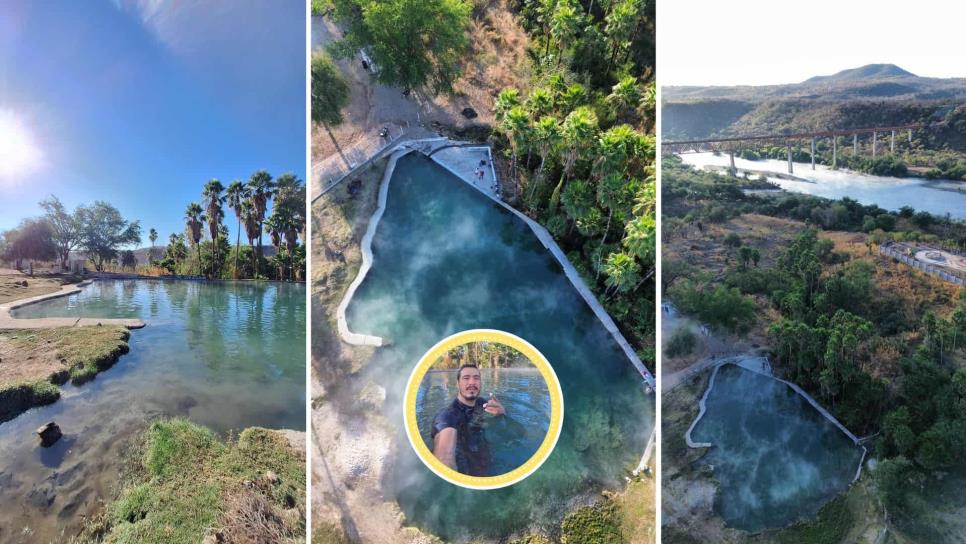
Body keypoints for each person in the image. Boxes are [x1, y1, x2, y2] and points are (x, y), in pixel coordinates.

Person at [431, 364, 505, 476]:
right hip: (467, 469)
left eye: (476, 378)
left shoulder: (482, 403)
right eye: (466, 378)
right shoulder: (447, 416)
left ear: (480, 383)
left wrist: (502, 412)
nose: (472, 382)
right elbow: (444, 458)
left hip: (486, 460)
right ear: (457, 384)